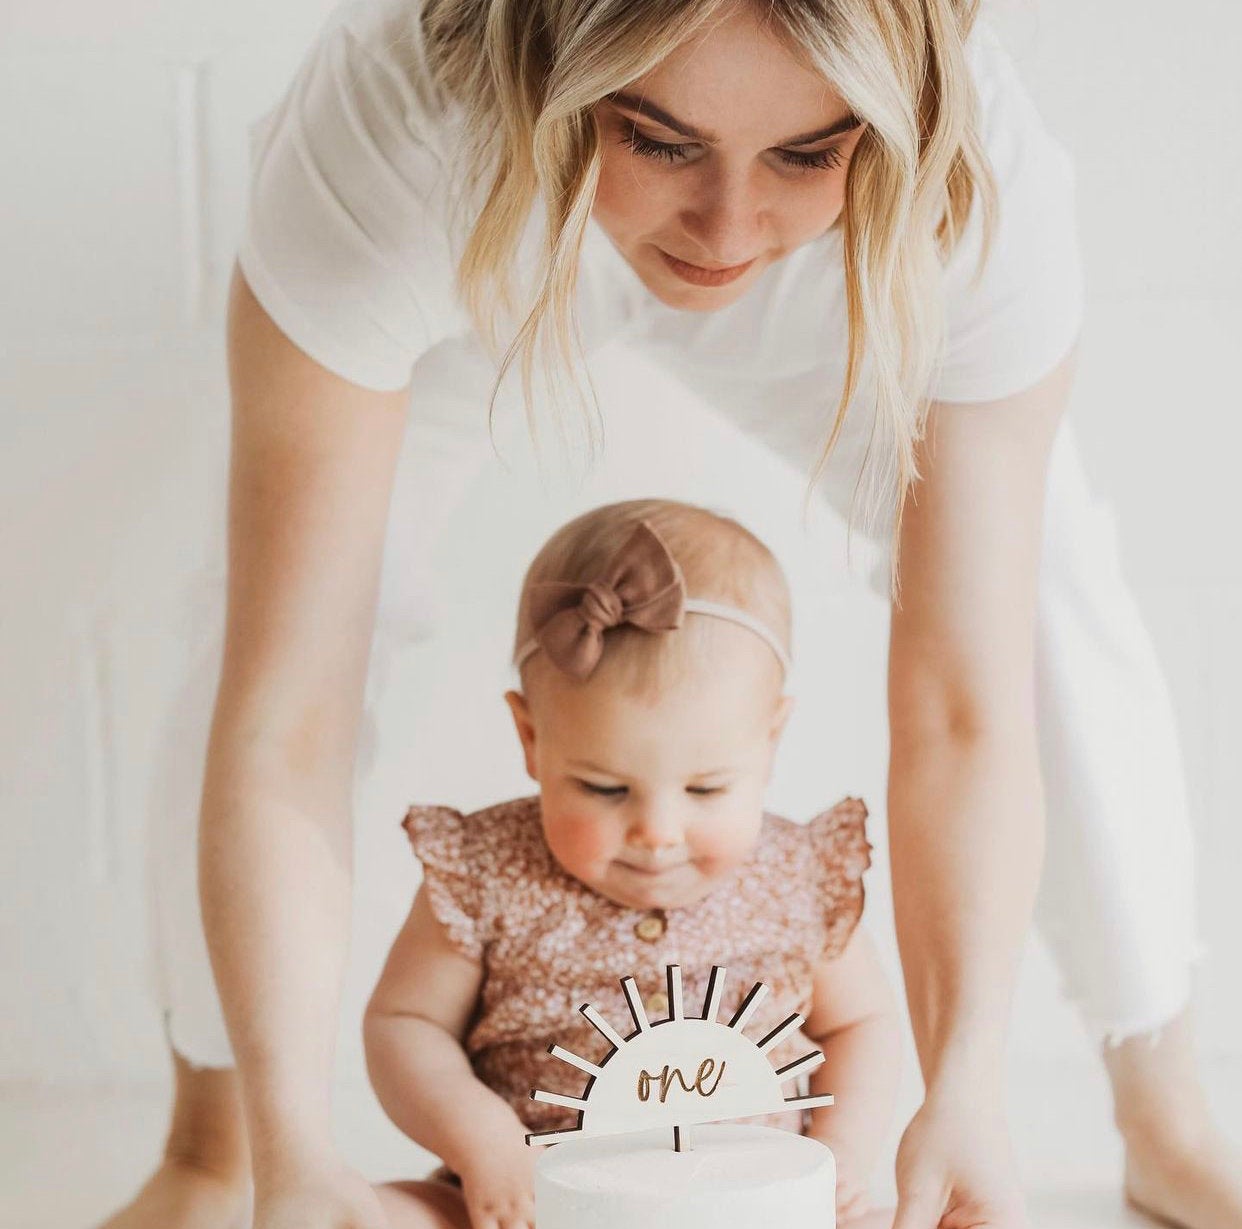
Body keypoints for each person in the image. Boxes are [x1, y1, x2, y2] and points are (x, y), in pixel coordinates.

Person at [98, 2, 1242, 1228]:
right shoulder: (397, 138)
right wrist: (294, 1148)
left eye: (806, 150)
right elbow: (290, 706)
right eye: (657, 136)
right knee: (261, 609)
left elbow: (966, 702)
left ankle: (1165, 1113)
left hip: (856, 262)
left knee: (1047, 578)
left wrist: (963, 1084)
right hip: (497, 213)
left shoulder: (975, 196)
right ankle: (215, 1143)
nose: (728, 226)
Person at [365, 500, 901, 1228]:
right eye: (604, 787)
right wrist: (483, 1144)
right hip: (529, 1204)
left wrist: (842, 1153)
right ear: (531, 736)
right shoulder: (485, 872)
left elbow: (861, 1023)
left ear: (771, 740)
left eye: (707, 788)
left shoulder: (799, 876)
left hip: (754, 1206)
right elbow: (405, 1023)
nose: (656, 831)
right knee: (364, 1216)